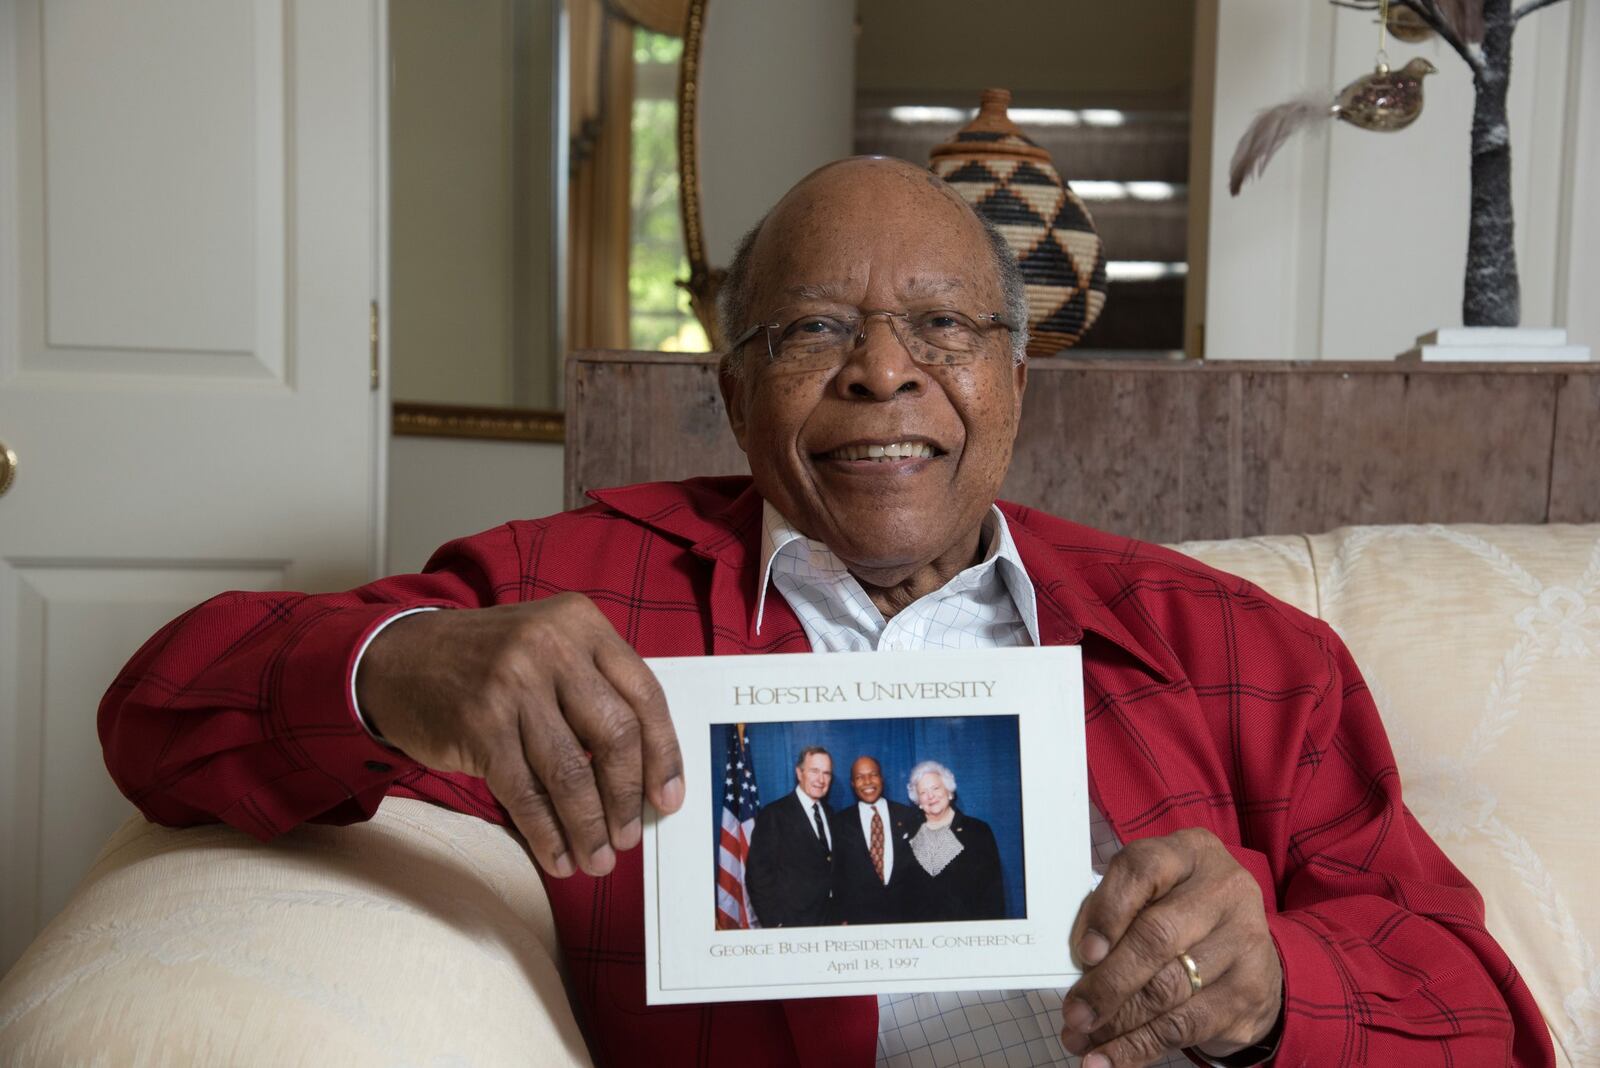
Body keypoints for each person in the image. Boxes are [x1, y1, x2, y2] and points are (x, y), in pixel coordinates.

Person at [98, 156, 1554, 1068]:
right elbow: (160, 712)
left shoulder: (1231, 645)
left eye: (942, 327)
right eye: (812, 332)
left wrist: (1272, 995)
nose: (882, 374)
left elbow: (1486, 1016)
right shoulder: (573, 597)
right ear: (733, 391)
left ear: (1015, 380)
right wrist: (401, 669)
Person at [744, 746, 836, 928]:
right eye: (814, 771)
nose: (821, 779)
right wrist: (776, 923)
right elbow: (757, 876)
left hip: (828, 921)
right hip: (792, 924)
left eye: (827, 773)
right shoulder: (774, 814)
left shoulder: (829, 813)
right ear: (799, 773)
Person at [903, 761, 1004, 922]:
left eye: (936, 788)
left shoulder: (977, 831)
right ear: (919, 802)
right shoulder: (907, 835)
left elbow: (992, 892)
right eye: (923, 792)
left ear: (949, 792)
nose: (931, 796)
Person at [829, 755, 923, 925]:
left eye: (873, 774)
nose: (867, 781)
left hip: (906, 917)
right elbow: (837, 875)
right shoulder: (840, 822)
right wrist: (840, 917)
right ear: (852, 784)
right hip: (860, 920)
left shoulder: (908, 815)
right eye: (859, 777)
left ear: (882, 778)